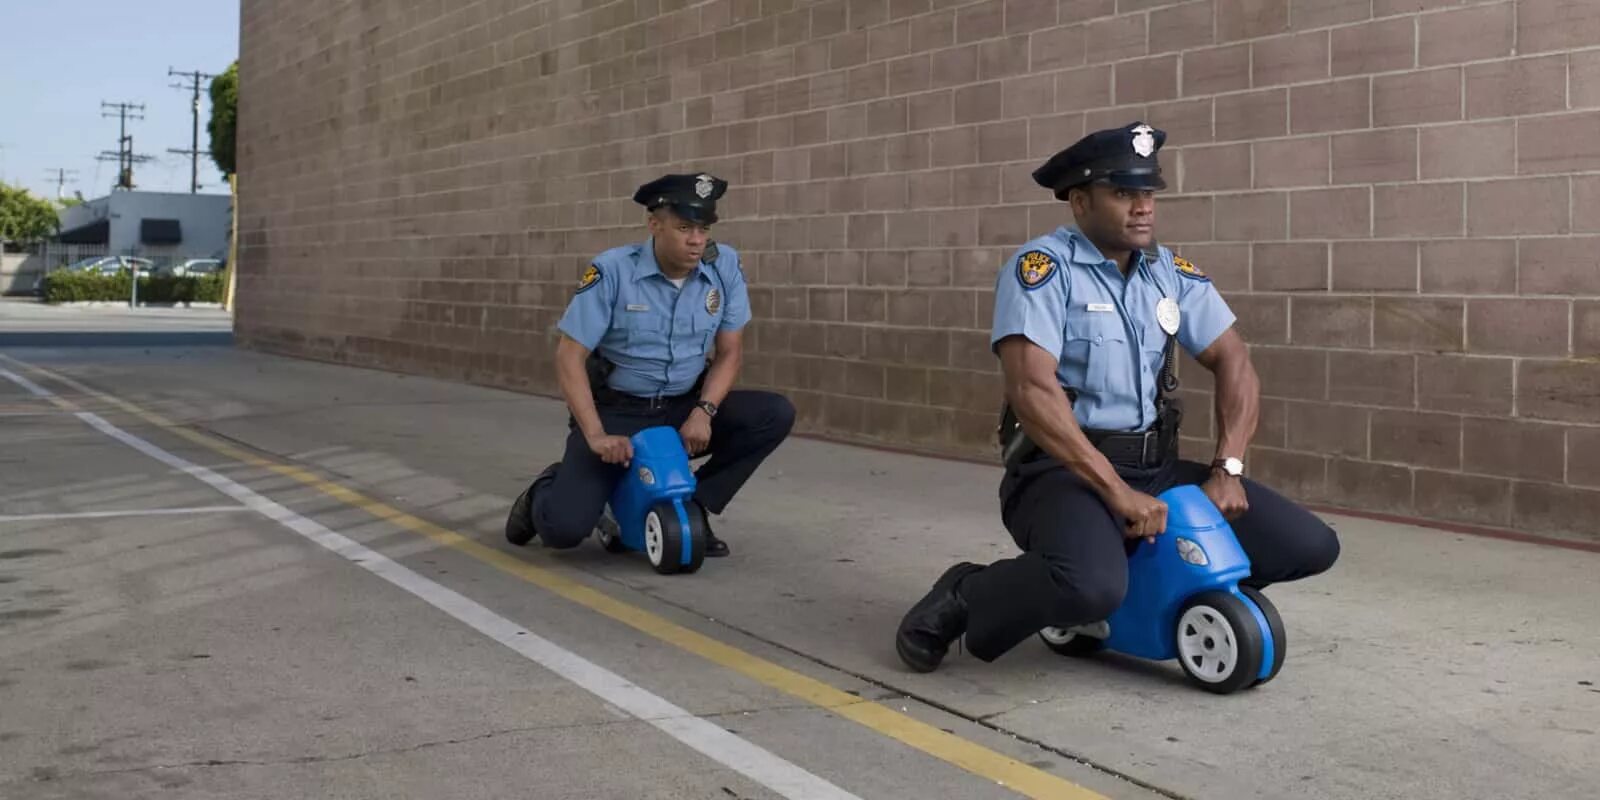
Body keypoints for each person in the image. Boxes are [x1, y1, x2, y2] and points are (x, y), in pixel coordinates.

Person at [893, 122, 1340, 672]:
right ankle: (967, 594)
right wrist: (1113, 490)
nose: (1143, 208)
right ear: (1080, 202)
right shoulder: (1042, 270)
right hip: (1061, 475)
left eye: (1148, 193)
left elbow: (1235, 361)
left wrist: (1228, 466)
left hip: (1153, 469)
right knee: (1088, 585)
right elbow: (1032, 390)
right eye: (1123, 193)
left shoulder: (1169, 273)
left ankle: (1141, 594)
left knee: (1308, 546)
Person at [505, 172, 795, 557]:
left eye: (703, 228)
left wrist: (704, 412)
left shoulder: (723, 266)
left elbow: (730, 352)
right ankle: (545, 489)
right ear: (654, 224)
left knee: (773, 413)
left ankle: (694, 506)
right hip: (617, 413)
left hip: (682, 407)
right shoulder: (612, 271)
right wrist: (595, 435)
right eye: (684, 227)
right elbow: (568, 357)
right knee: (564, 529)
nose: (697, 240)